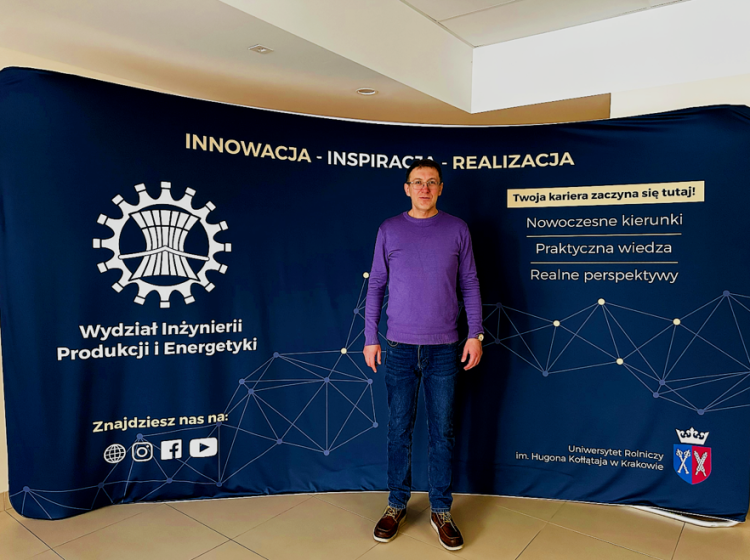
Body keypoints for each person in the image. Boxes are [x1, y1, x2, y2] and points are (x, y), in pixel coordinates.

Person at [363, 159, 484, 552]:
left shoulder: (457, 229)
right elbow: (376, 285)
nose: (425, 188)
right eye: (418, 182)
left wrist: (475, 334)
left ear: (441, 188)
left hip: (446, 348)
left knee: (442, 432)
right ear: (407, 188)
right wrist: (370, 337)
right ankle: (396, 503)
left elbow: (470, 282)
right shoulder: (389, 229)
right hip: (398, 347)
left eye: (432, 182)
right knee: (398, 430)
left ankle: (440, 509)